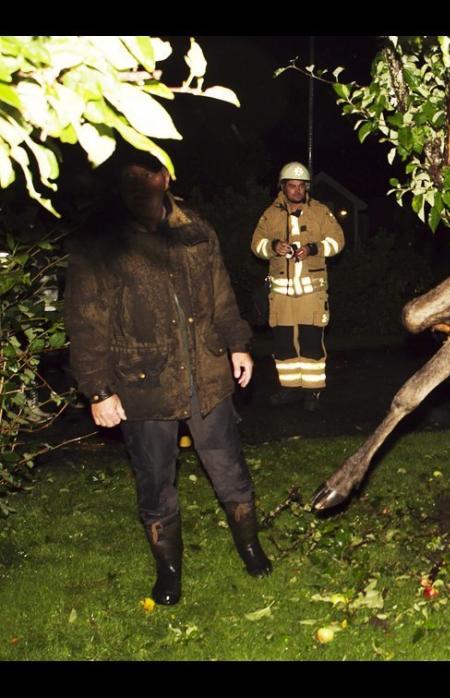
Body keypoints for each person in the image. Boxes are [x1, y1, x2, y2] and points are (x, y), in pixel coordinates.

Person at [64, 150, 271, 606]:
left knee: (229, 471)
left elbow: (222, 296)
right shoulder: (102, 243)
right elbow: (86, 320)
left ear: (166, 175)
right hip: (142, 384)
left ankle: (251, 547)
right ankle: (169, 573)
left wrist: (238, 343)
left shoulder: (196, 231)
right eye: (130, 175)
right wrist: (98, 389)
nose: (140, 182)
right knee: (155, 484)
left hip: (207, 375)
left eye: (149, 172)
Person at [251, 162, 345, 410]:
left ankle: (312, 393)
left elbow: (338, 241)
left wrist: (314, 248)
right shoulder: (270, 214)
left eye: (301, 186)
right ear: (283, 187)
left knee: (311, 341)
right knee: (283, 344)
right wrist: (273, 247)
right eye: (292, 186)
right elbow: (256, 245)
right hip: (281, 295)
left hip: (312, 293)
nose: (296, 190)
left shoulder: (320, 212)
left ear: (307, 187)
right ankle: (289, 389)